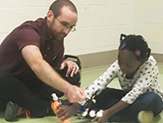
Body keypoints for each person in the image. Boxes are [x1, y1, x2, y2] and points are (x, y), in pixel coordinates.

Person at [0, 0, 86, 121]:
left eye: (71, 27)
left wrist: (64, 61)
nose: (66, 31)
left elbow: (50, 65)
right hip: (9, 84)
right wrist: (68, 89)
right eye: (64, 24)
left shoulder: (57, 36)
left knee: (71, 71)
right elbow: (37, 64)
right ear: (50, 16)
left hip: (30, 83)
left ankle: (21, 106)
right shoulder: (28, 32)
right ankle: (45, 107)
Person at [58, 34, 163, 123]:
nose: (122, 67)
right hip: (127, 100)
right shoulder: (119, 65)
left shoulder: (149, 64)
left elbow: (134, 94)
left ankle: (101, 113)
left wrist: (107, 113)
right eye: (120, 61)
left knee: (150, 98)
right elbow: (99, 83)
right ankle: (137, 116)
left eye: (128, 65)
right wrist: (78, 103)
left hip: (150, 100)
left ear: (141, 62)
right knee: (103, 93)